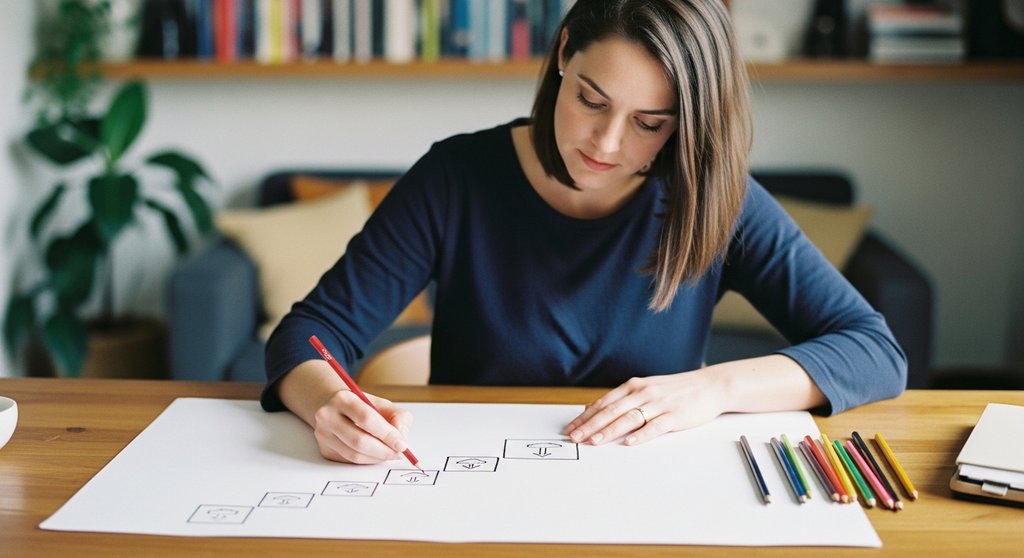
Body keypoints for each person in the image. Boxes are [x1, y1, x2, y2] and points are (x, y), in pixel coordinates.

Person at [261, 0, 906, 465]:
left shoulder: (715, 197)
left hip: (649, 497)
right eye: (592, 101)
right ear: (564, 52)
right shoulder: (456, 178)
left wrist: (716, 387)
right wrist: (327, 408)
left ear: (686, 124)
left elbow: (875, 352)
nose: (606, 143)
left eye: (650, 123)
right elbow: (308, 336)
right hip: (479, 484)